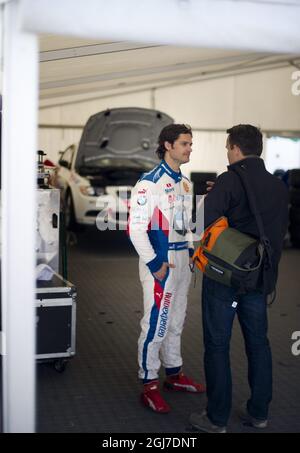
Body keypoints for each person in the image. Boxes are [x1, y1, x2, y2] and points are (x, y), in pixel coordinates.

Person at [189, 124, 289, 433]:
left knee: (217, 345)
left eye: (227, 148)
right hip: (260, 279)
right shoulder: (278, 185)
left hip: (226, 278)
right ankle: (259, 413)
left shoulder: (229, 180)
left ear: (235, 149)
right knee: (258, 344)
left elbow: (202, 224)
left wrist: (216, 199)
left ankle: (217, 418)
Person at [128, 124, 205, 413]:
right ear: (168, 145)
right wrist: (154, 263)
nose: (189, 148)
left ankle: (174, 373)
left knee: (176, 320)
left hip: (182, 263)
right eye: (184, 143)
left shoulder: (185, 183)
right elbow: (135, 229)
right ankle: (149, 384)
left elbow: (183, 227)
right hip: (160, 265)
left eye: (190, 143)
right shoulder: (149, 183)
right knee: (156, 324)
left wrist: (190, 253)